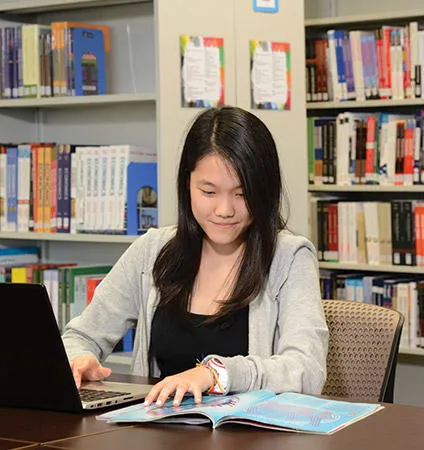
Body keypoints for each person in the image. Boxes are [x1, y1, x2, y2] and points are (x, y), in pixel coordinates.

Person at [62, 106, 328, 408]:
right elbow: (81, 337)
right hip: (155, 429)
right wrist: (78, 359)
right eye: (209, 192)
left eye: (242, 194)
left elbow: (307, 370)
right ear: (186, 184)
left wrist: (217, 374)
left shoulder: (289, 257)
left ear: (264, 191)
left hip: (245, 432)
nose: (225, 210)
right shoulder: (152, 250)